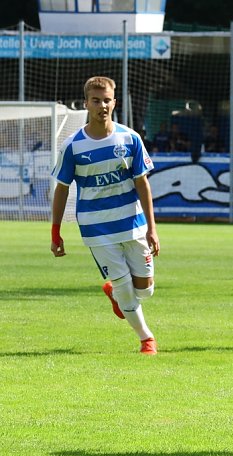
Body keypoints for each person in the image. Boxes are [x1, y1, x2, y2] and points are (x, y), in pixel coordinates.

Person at [50, 76, 160, 355]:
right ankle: (146, 339)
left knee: (145, 290)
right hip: (96, 228)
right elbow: (62, 188)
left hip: (133, 224)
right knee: (125, 286)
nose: (102, 106)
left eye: (107, 100)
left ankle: (117, 294)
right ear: (86, 104)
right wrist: (55, 231)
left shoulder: (130, 138)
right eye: (96, 100)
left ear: (114, 103)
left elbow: (142, 183)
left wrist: (152, 228)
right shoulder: (73, 146)